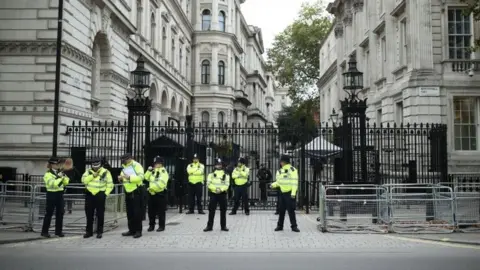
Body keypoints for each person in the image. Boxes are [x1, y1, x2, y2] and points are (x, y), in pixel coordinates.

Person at [81, 157, 114, 239]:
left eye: (97, 165)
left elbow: (110, 184)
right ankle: (89, 232)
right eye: (94, 165)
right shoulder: (88, 172)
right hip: (89, 195)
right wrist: (92, 176)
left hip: (100, 194)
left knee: (100, 214)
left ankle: (100, 232)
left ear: (100, 165)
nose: (95, 167)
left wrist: (105, 194)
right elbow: (83, 181)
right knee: (89, 214)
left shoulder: (106, 172)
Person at [41, 157, 70, 238]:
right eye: (56, 164)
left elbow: (66, 181)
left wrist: (62, 178)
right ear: (51, 165)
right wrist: (59, 178)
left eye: (58, 164)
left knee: (60, 213)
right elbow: (52, 184)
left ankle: (58, 231)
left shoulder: (60, 172)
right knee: (49, 213)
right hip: (51, 194)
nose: (58, 165)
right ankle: (44, 232)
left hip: (60, 194)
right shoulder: (48, 174)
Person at [270, 155, 300, 232]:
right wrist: (273, 185)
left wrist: (293, 193)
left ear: (283, 162)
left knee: (289, 210)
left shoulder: (292, 170)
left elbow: (294, 182)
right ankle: (282, 226)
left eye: (281, 161)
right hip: (283, 193)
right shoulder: (280, 171)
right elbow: (279, 182)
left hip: (289, 193)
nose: (280, 163)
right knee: (282, 210)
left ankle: (293, 226)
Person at [118, 153, 145, 238]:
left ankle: (138, 231)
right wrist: (120, 179)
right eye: (123, 160)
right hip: (128, 191)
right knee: (129, 212)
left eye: (125, 159)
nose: (124, 161)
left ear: (130, 158)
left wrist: (129, 177)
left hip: (136, 191)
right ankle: (131, 230)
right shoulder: (124, 167)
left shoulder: (136, 165)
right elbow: (123, 178)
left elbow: (141, 177)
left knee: (137, 212)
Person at [204, 158, 230, 232]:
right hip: (213, 194)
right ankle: (209, 226)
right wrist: (215, 189)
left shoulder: (226, 174)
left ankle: (223, 226)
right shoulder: (211, 174)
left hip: (222, 194)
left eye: (220, 164)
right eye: (217, 164)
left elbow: (227, 184)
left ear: (222, 165)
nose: (219, 166)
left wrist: (220, 190)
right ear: (215, 165)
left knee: (223, 210)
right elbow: (208, 184)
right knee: (211, 210)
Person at [145, 156, 169, 232]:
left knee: (161, 211)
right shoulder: (153, 171)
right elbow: (146, 178)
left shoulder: (163, 172)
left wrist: (152, 188)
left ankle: (161, 226)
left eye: (157, 163)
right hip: (151, 194)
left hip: (160, 194)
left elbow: (161, 183)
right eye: (155, 163)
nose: (155, 165)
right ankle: (151, 225)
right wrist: (148, 171)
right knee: (151, 211)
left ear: (161, 164)